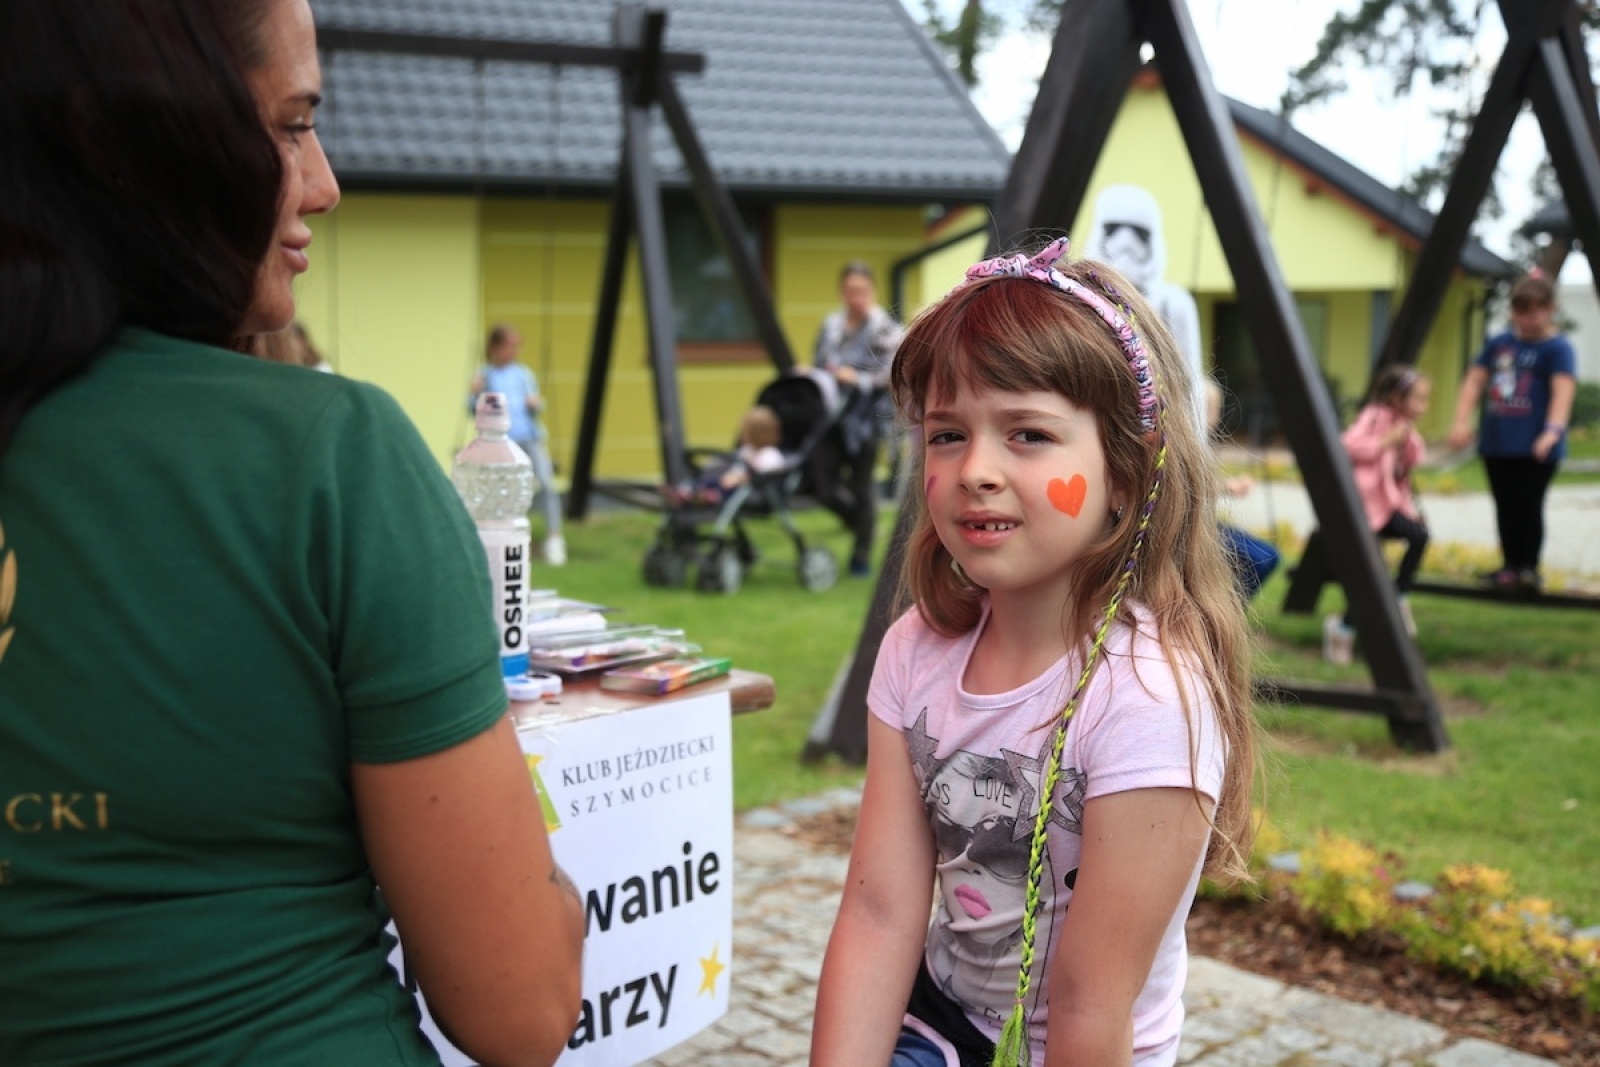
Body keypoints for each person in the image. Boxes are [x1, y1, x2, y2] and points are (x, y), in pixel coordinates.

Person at [0, 3, 583, 1065]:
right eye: (289, 124)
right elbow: (520, 1008)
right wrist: (552, 890)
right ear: (124, 137)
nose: (324, 183)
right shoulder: (329, 455)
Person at [810, 238, 1258, 1067]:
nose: (976, 468)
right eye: (947, 433)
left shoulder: (1149, 701)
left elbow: (1093, 1008)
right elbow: (877, 920)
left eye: (1027, 433)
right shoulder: (916, 650)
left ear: (1126, 471)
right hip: (940, 1024)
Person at [1447, 274, 1578, 594]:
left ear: (1550, 309)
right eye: (1521, 311)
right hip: (1498, 441)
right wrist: (1461, 420)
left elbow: (1563, 391)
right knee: (1505, 504)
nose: (1528, 318)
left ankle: (1528, 569)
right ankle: (1509, 567)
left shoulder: (1557, 348)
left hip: (1536, 445)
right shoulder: (1500, 343)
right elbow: (1475, 380)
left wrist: (1552, 431)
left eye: (1535, 310)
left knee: (1528, 504)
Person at [811, 261, 905, 576]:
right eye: (850, 290)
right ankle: (859, 523)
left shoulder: (886, 329)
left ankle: (861, 556)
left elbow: (895, 375)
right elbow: (820, 362)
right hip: (830, 417)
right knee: (820, 482)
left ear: (872, 291)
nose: (856, 297)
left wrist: (857, 379)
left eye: (861, 290)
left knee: (862, 485)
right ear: (842, 292)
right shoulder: (832, 325)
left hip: (867, 421)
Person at [1087, 184, 1205, 430]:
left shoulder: (1172, 303)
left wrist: (1195, 442)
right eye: (1113, 230)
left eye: (1138, 234)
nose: (1125, 243)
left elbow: (1190, 381)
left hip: (1163, 427)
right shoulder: (1082, 298)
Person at [1340, 364, 1432, 634]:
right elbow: (1348, 445)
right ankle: (1344, 628)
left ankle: (1400, 594)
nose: (1424, 406)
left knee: (1419, 535)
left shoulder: (1402, 424)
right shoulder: (1373, 416)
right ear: (1396, 397)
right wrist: (1383, 442)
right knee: (1371, 573)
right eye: (1419, 399)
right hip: (1365, 506)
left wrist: (1406, 437)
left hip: (1388, 505)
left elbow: (1413, 460)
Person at [470, 324, 567, 566]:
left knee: (546, 483)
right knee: (505, 492)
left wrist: (535, 403)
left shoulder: (523, 374)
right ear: (495, 347)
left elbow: (536, 405)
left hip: (530, 437)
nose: (513, 351)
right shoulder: (485, 376)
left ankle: (555, 539)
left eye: (516, 347)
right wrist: (474, 395)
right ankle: (506, 541)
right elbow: (473, 410)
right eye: (509, 346)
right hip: (504, 444)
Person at [1205, 380, 1280, 601]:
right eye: (1214, 411)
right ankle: (1227, 612)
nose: (1217, 418)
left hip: (1207, 524)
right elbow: (1190, 486)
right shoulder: (1184, 442)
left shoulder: (1202, 443)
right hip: (1195, 531)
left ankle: (1226, 612)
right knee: (1263, 557)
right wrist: (1230, 486)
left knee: (1267, 556)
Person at [666, 403, 787, 505]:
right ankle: (685, 492)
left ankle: (702, 496)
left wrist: (738, 479)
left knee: (724, 487)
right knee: (708, 480)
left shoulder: (771, 455)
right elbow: (736, 465)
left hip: (749, 491)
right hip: (730, 481)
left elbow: (765, 478)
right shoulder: (747, 450)